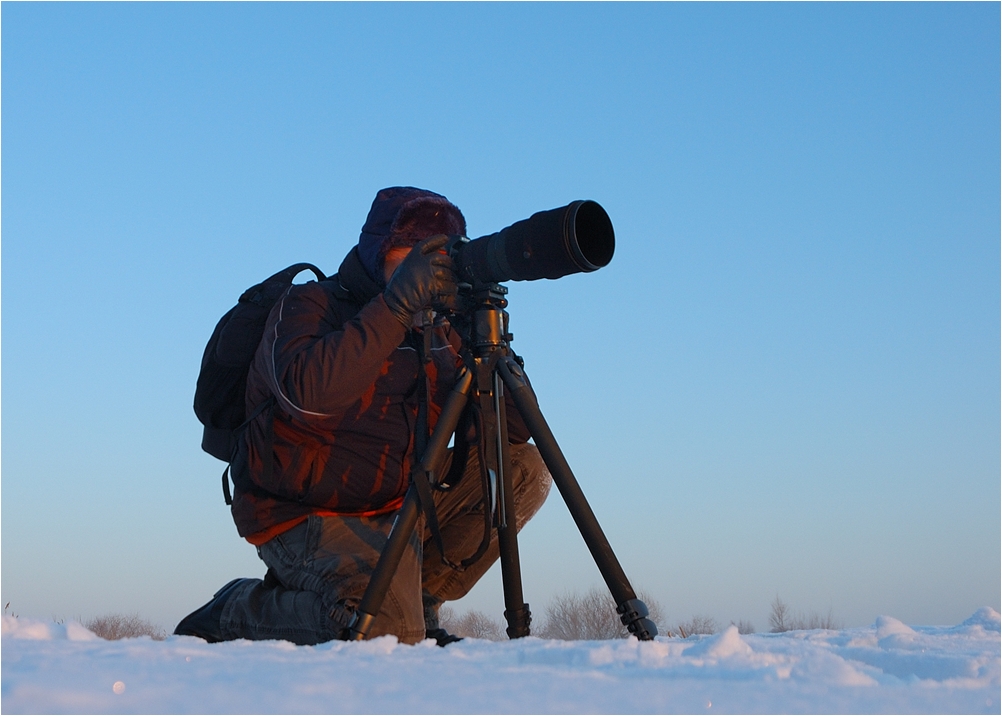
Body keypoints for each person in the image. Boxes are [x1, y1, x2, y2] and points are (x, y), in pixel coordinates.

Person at [175, 187, 551, 646]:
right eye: (412, 255)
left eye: (436, 259)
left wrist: (482, 336)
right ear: (377, 251)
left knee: (525, 469)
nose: (426, 270)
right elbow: (309, 396)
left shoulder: (440, 331)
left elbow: (515, 431)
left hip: (397, 505)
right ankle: (236, 611)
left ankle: (417, 604)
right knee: (384, 632)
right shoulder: (309, 305)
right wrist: (394, 308)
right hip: (304, 513)